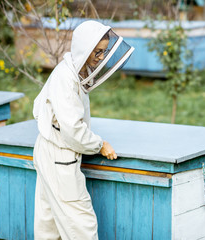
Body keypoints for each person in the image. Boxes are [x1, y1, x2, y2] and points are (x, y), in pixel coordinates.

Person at [32, 20, 134, 240]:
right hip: (59, 155)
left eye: (104, 51)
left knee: (49, 225)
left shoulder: (70, 69)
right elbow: (73, 130)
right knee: (81, 226)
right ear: (84, 49)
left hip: (51, 150)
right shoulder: (65, 79)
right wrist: (100, 145)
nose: (101, 57)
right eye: (97, 52)